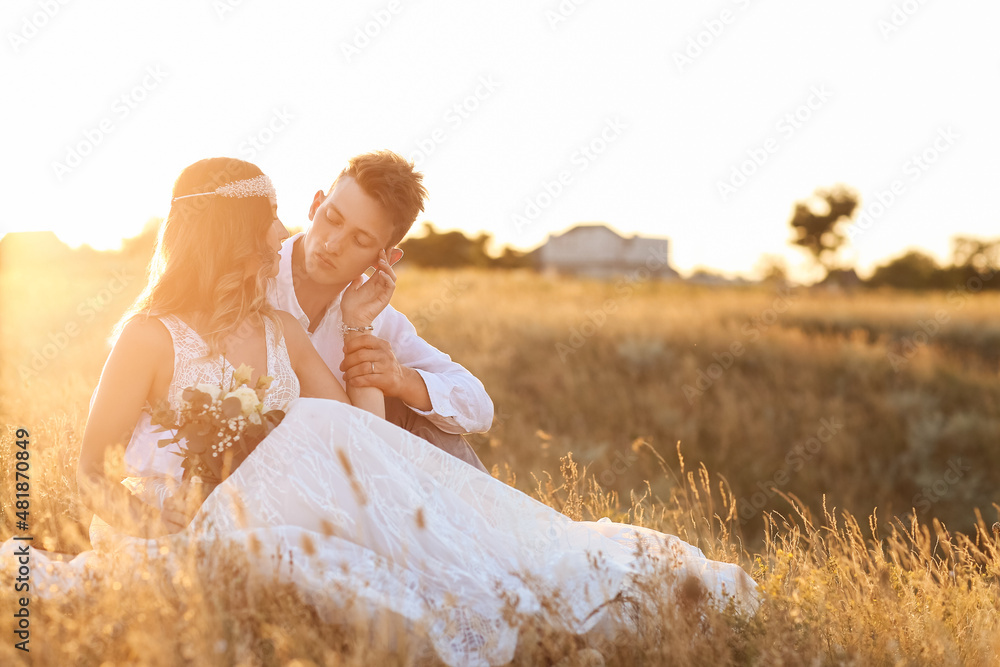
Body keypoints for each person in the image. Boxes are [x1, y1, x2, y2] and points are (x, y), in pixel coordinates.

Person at [0, 158, 759, 666]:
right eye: (307, 220)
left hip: (286, 494)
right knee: (323, 441)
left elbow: (360, 434)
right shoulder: (152, 334)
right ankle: (499, 583)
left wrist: (364, 333)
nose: (301, 239)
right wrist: (148, 527)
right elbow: (87, 468)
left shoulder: (281, 328)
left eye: (359, 238)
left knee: (357, 425)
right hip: (179, 516)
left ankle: (526, 564)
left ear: (381, 253)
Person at [270, 150, 491, 472]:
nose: (333, 244)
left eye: (360, 240)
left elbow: (479, 406)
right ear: (316, 204)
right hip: (256, 467)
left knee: (420, 420)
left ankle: (475, 522)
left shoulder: (377, 318)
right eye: (332, 219)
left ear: (384, 257)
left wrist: (402, 380)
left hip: (337, 470)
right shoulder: (256, 275)